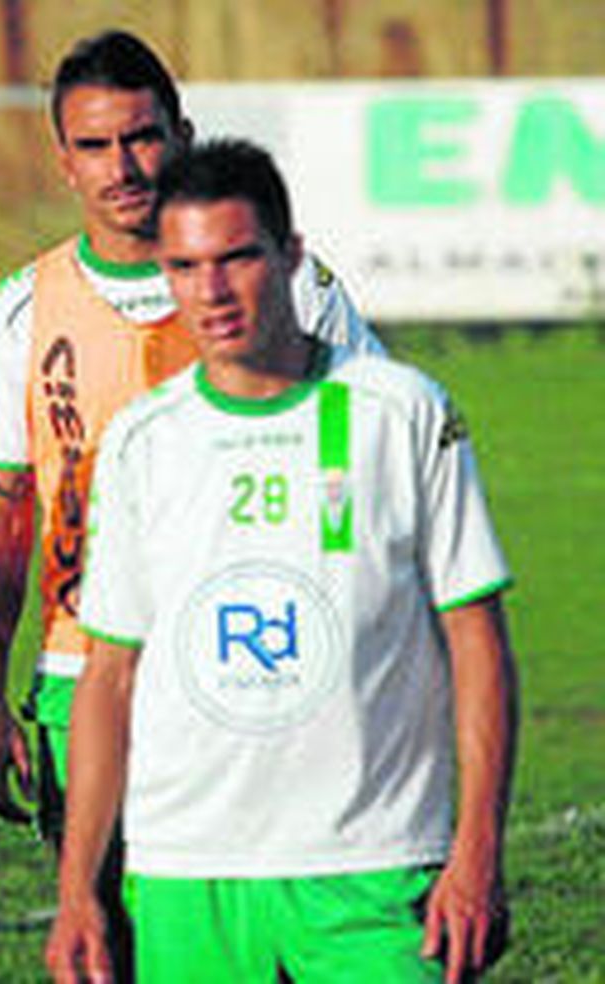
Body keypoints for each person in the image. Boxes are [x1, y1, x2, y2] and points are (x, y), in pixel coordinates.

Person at [44, 138, 517, 984]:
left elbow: (476, 638)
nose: (212, 291)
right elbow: (109, 676)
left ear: (291, 255)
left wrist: (478, 851)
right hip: (186, 871)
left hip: (374, 864)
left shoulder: (401, 412)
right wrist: (79, 888)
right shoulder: (142, 441)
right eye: (185, 266)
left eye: (238, 258)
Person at [0, 30, 384, 978]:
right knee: (109, 948)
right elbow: (2, 516)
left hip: (263, 670)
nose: (123, 167)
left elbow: (371, 457)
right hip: (85, 678)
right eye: (96, 146)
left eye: (143, 137)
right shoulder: (20, 309)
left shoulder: (292, 286)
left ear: (182, 134)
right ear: (63, 160)